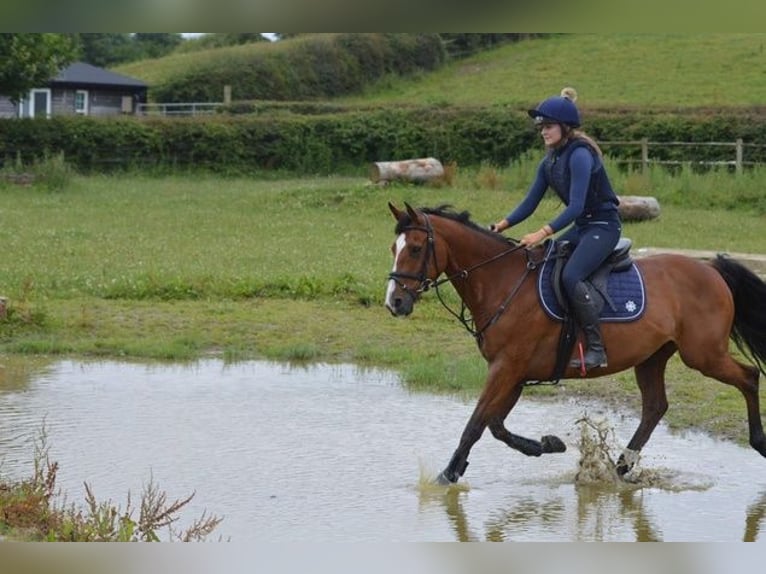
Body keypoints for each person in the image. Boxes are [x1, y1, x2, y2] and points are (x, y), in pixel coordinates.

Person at [490, 87, 622, 371]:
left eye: (548, 127)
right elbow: (529, 203)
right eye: (541, 128)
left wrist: (541, 233)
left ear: (564, 127)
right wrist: (499, 226)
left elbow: (575, 206)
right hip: (584, 227)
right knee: (546, 262)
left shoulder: (580, 156)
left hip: (604, 227)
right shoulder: (549, 162)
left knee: (572, 274)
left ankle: (597, 348)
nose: (543, 133)